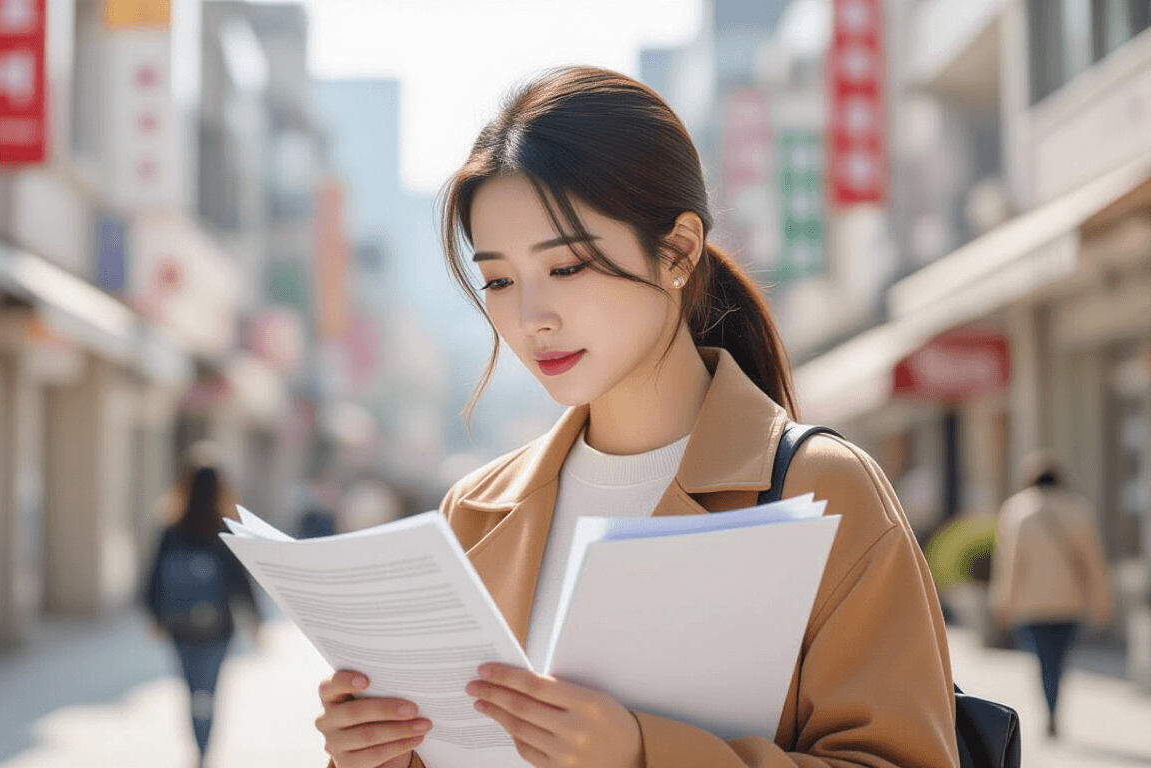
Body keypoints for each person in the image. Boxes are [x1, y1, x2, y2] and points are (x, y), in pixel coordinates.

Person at [313, 66, 958, 768]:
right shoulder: (475, 513)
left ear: (678, 251)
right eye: (499, 280)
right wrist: (376, 756)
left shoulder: (823, 491)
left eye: (567, 267)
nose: (532, 319)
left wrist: (643, 754)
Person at [989, 451, 1113, 738]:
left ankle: (1050, 710)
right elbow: (1093, 562)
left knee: (1042, 661)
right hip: (1070, 602)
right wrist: (1101, 601)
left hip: (1031, 604)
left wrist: (1003, 601)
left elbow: (1009, 564)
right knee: (1059, 661)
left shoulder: (1015, 511)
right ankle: (1054, 708)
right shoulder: (1079, 510)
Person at [145, 459, 257, 767]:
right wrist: (256, 621)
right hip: (218, 628)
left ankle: (197, 749)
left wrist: (153, 616)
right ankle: (204, 753)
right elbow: (240, 581)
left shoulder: (172, 529)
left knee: (191, 689)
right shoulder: (224, 529)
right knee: (209, 691)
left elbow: (153, 576)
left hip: (178, 627)